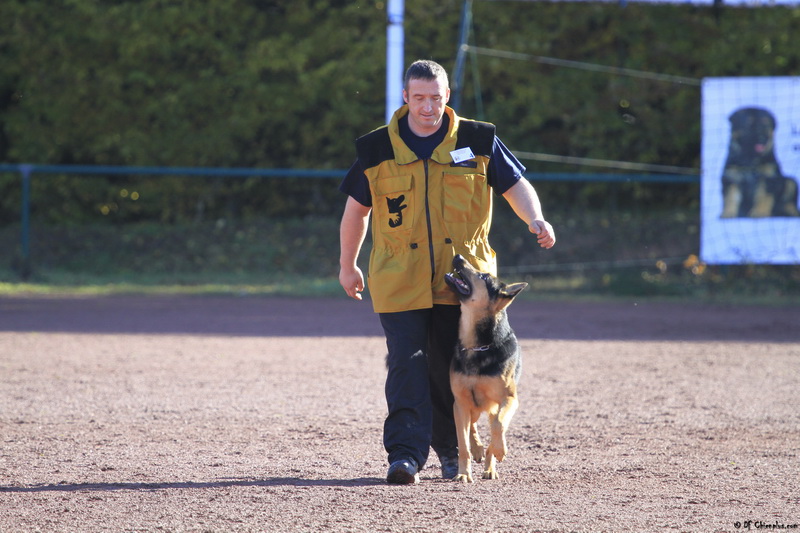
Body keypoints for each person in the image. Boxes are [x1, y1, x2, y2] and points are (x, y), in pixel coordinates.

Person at [338, 59, 555, 485]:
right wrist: (347, 266)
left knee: (446, 369)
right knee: (406, 363)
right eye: (419, 97)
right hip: (399, 278)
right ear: (405, 97)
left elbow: (515, 187)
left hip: (461, 286)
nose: (427, 107)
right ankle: (404, 456)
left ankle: (454, 454)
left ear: (447, 96)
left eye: (436, 97)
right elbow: (355, 213)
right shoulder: (377, 148)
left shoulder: (478, 139)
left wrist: (536, 219)